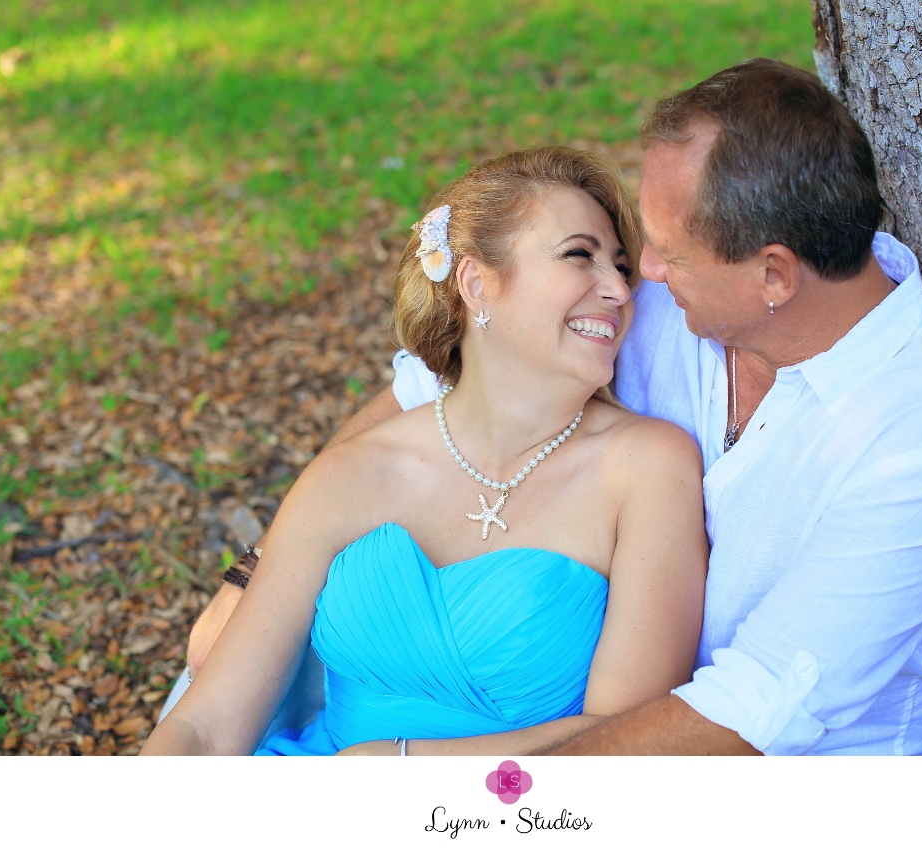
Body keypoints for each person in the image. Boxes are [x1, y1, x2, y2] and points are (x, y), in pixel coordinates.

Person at [183, 58, 922, 756]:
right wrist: (258, 576)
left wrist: (426, 787)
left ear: (773, 275)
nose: (637, 283)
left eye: (662, 255)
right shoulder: (674, 312)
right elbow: (430, 385)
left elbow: (751, 712)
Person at [143, 146, 709, 755]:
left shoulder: (648, 468)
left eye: (620, 267)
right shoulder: (354, 471)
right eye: (581, 256)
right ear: (476, 283)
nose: (621, 291)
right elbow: (204, 727)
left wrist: (406, 769)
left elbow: (632, 742)